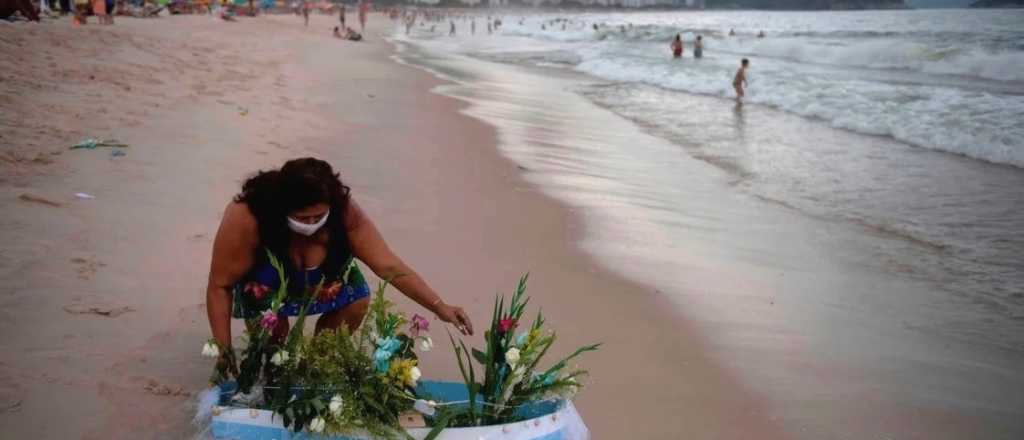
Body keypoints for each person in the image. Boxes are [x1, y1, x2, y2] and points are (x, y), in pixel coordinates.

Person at [206, 158, 474, 374]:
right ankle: (273, 362)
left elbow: (389, 267)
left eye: (318, 217)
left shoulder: (345, 213)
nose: (310, 224)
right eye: (302, 218)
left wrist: (439, 306)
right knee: (273, 343)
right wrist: (224, 349)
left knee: (357, 301)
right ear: (281, 208)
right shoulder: (247, 216)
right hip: (266, 283)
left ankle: (312, 365)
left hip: (324, 281)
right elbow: (220, 285)